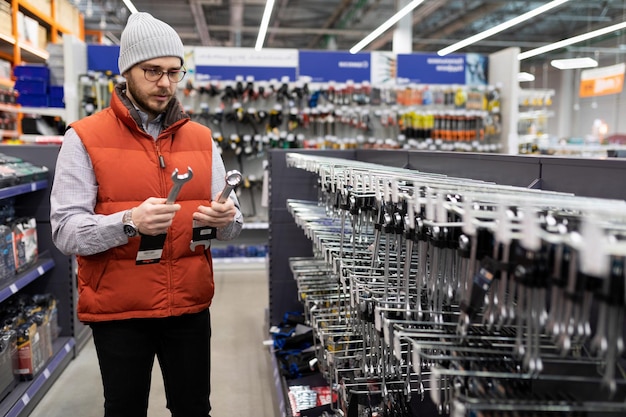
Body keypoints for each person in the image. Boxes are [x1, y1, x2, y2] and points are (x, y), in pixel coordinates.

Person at [50, 12, 243, 417]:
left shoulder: (202, 138)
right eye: (152, 71)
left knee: (194, 409)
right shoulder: (83, 137)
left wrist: (225, 220)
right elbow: (66, 231)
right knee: (125, 409)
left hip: (188, 305)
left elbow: (232, 225)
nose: (165, 84)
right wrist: (128, 223)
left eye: (174, 72)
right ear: (126, 72)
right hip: (120, 308)